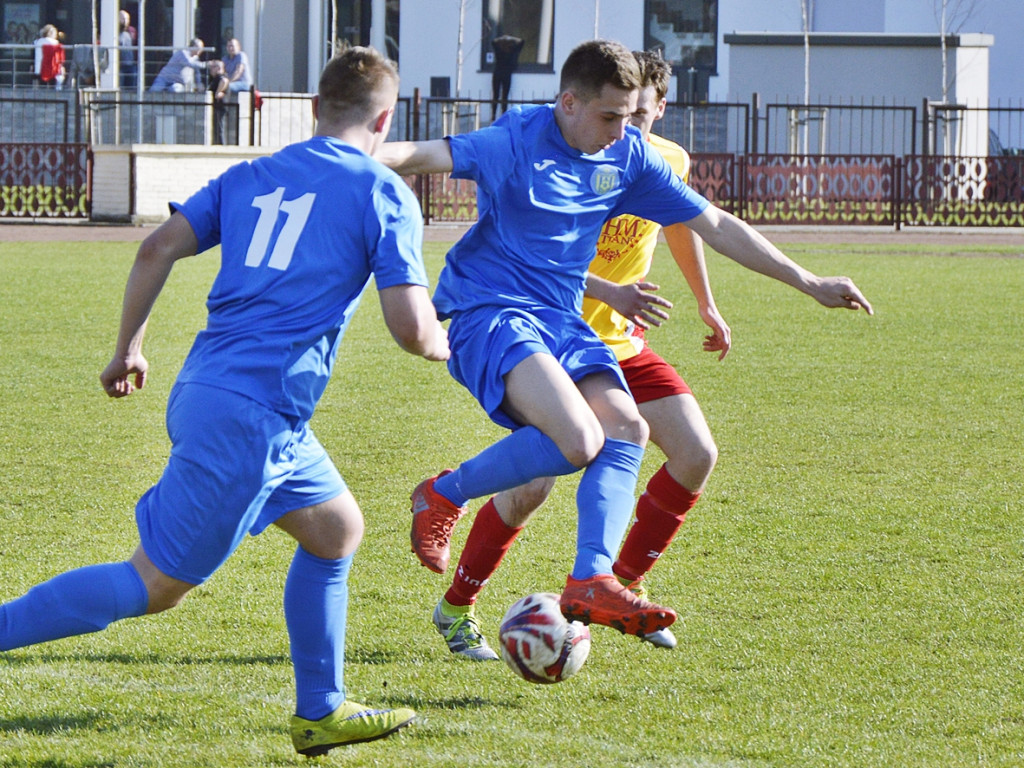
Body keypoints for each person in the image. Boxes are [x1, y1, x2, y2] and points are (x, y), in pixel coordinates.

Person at [0, 46, 449, 758]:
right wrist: (447, 345)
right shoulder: (382, 191)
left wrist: (128, 349)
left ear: (313, 110)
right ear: (386, 118)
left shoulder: (253, 174)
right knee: (151, 584)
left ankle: (320, 710)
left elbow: (156, 249)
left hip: (217, 393)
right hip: (251, 418)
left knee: (335, 531)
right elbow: (410, 328)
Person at [375, 39, 872, 650]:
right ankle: (442, 494)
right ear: (568, 103)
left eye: (632, 115)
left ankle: (592, 579)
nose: (621, 130)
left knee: (627, 431)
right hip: (489, 312)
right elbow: (426, 153)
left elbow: (715, 225)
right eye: (610, 116)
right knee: (578, 440)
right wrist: (354, 151)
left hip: (560, 319)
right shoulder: (517, 139)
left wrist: (809, 281)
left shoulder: (629, 156)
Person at [490, 34, 524, 121]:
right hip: (507, 74)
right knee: (505, 96)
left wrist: (502, 37)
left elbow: (493, 42)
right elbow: (521, 41)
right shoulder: (512, 50)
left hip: (497, 73)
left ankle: (493, 114)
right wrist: (511, 38)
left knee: (496, 95)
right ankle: (503, 114)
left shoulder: (498, 50)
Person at [206, 59, 230, 144]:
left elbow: (224, 81)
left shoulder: (220, 77)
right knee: (216, 127)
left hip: (220, 106)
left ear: (218, 68)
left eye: (213, 67)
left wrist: (218, 92)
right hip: (216, 106)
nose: (211, 69)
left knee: (219, 128)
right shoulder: (214, 79)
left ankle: (221, 145)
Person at [119, 10, 137, 89]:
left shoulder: (132, 31)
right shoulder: (114, 31)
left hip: (131, 64)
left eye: (127, 18)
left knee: (132, 86)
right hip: (119, 65)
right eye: (123, 18)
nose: (125, 21)